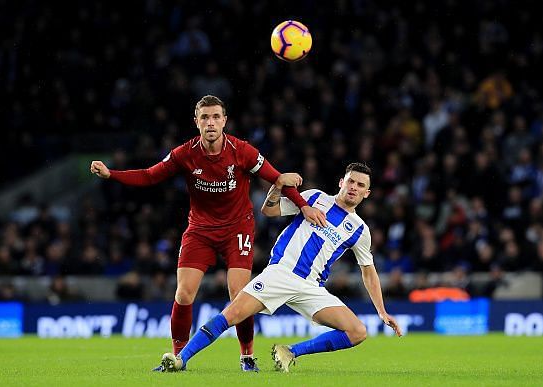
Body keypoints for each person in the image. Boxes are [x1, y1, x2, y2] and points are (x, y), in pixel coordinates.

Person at [90, 95, 326, 372]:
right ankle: (178, 357)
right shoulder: (184, 154)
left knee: (240, 295)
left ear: (224, 121)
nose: (210, 122)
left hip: (237, 227)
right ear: (196, 122)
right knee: (184, 294)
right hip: (200, 229)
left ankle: (247, 357)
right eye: (205, 117)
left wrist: (304, 206)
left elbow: (279, 179)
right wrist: (111, 174)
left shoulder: (242, 151)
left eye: (216, 117)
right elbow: (150, 175)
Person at [158, 162, 402, 373]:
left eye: (360, 186)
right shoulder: (314, 197)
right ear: (341, 182)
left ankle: (290, 352)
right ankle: (181, 359)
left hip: (311, 287)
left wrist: (381, 311)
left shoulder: (360, 230)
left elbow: (368, 272)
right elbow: (269, 210)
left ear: (367, 193)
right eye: (351, 181)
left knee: (358, 332)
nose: (354, 188)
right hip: (281, 273)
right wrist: (277, 186)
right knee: (231, 315)